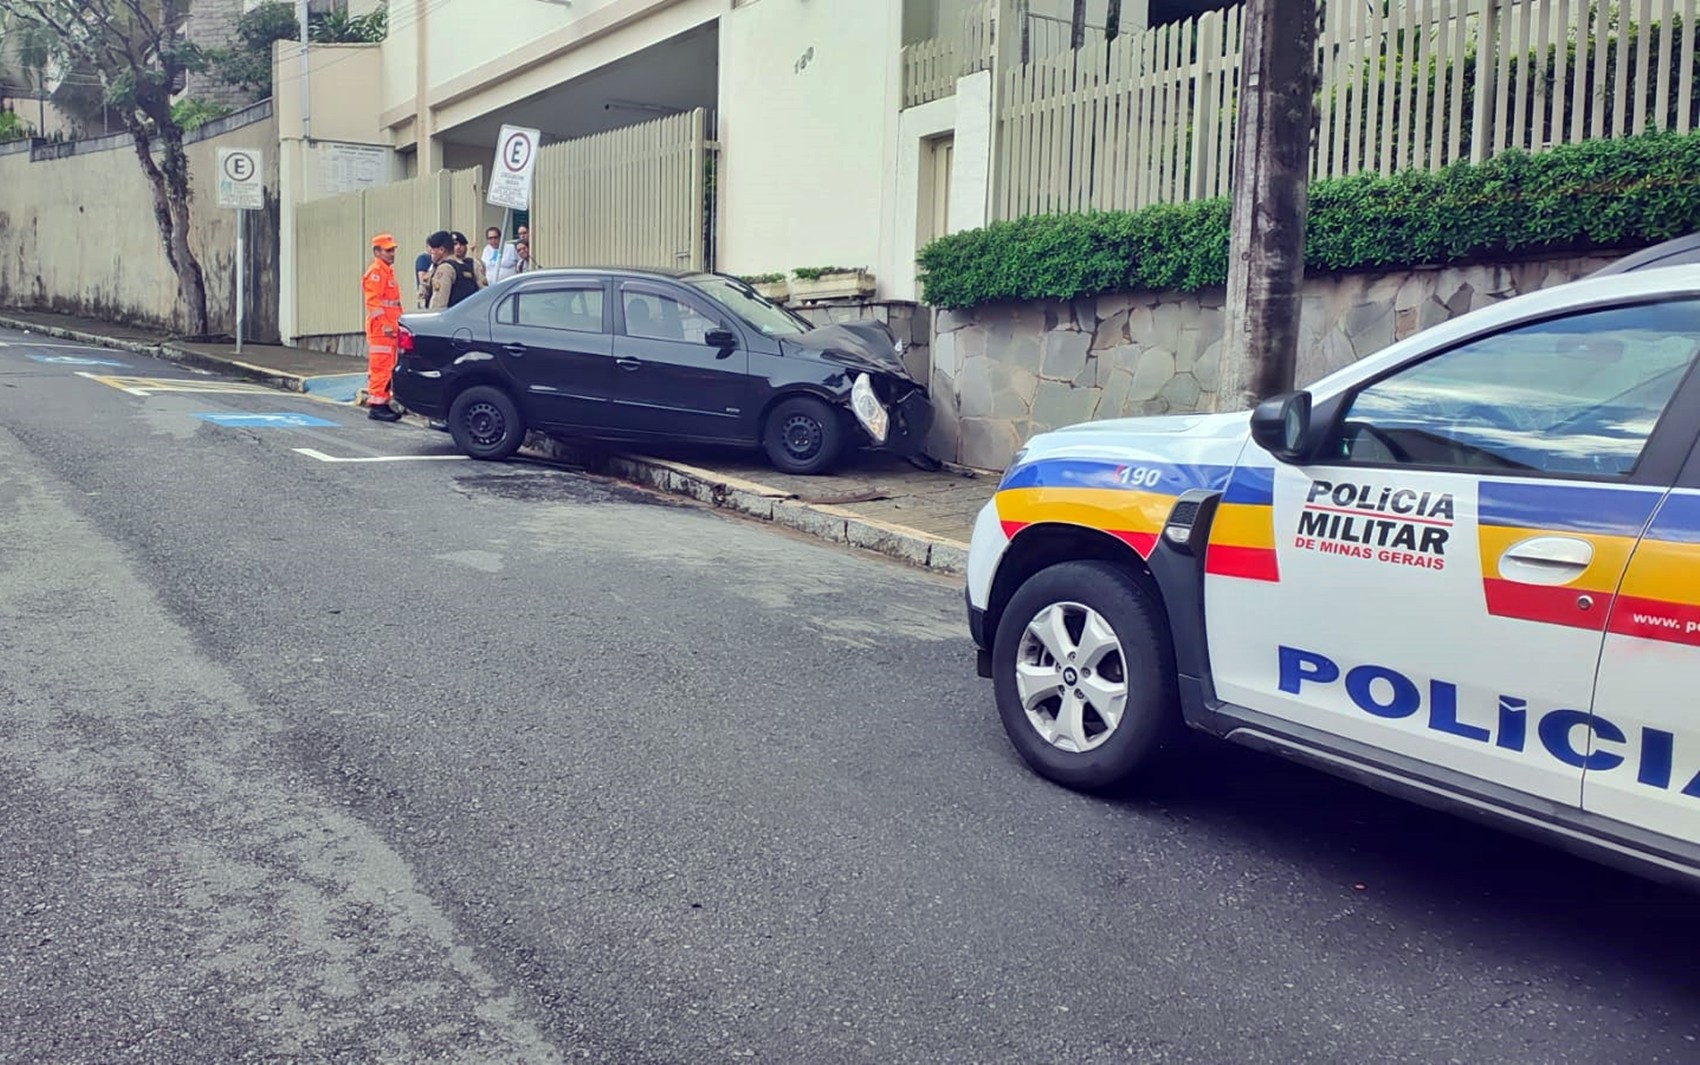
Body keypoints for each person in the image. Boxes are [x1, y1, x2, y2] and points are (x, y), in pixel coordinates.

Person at [361, 233, 404, 422]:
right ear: (377, 252)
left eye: (393, 250)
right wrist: (386, 324)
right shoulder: (376, 272)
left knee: (387, 366)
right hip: (381, 329)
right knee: (381, 367)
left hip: (389, 328)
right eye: (388, 250)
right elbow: (373, 303)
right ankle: (377, 406)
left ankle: (383, 402)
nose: (392, 253)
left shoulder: (386, 271)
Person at [425, 229, 480, 309]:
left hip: (451, 319)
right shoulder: (465, 266)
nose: (431, 252)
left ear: (441, 250)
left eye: (433, 249)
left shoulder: (445, 268)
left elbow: (439, 302)